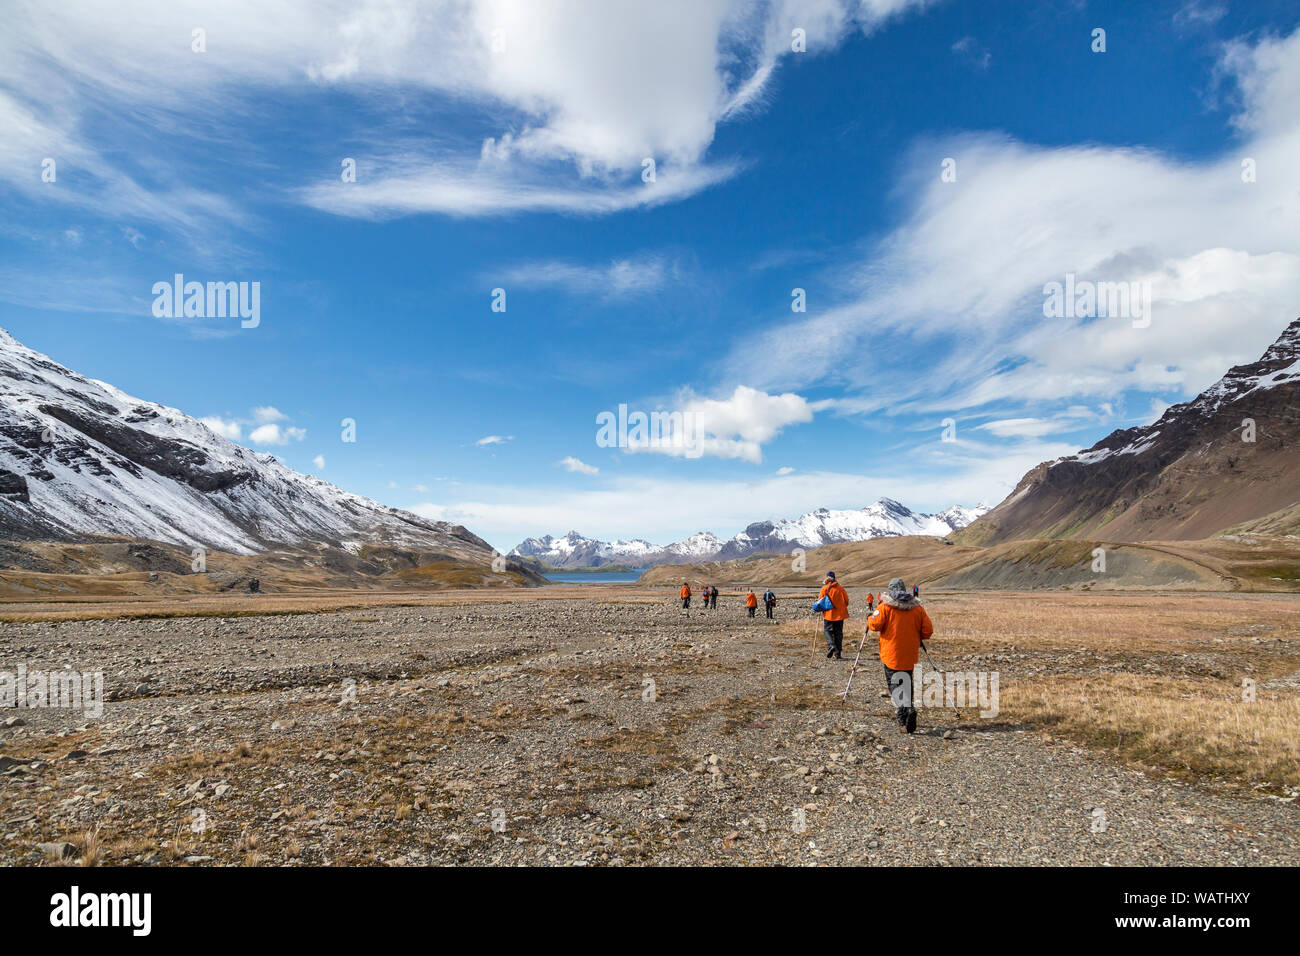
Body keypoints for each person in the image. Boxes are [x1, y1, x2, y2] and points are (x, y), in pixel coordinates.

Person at [867, 577, 934, 734]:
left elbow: (874, 625)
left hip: (891, 654)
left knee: (895, 685)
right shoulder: (917, 608)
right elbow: (928, 631)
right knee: (907, 682)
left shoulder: (885, 607)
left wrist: (870, 618)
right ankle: (905, 714)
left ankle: (906, 711)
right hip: (910, 654)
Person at [817, 571, 850, 659]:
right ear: (835, 578)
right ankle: (838, 654)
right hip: (840, 615)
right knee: (838, 634)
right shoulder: (840, 588)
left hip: (829, 615)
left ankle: (831, 645)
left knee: (827, 631)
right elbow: (846, 601)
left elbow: (820, 602)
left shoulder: (824, 588)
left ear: (827, 578)